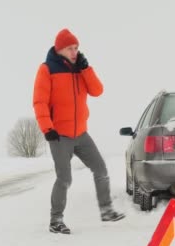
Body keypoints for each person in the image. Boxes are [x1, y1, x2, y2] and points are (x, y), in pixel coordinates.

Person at [33, 28, 125, 234]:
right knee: (65, 179)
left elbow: (97, 91)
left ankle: (106, 210)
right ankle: (56, 221)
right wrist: (47, 128)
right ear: (59, 50)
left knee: (100, 168)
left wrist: (86, 69)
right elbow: (39, 102)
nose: (74, 52)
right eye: (70, 48)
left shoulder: (80, 69)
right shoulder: (47, 69)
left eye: (76, 48)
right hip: (59, 135)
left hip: (81, 133)